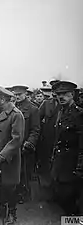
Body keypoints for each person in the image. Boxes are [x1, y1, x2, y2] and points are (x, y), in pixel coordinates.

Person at [0, 86, 25, 225]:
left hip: (9, 157)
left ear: (3, 99)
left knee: (10, 186)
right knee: (1, 184)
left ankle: (12, 214)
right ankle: (1, 210)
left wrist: (4, 154)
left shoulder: (16, 114)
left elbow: (17, 139)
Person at [50, 81, 83, 215]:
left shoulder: (79, 114)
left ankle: (74, 221)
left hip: (73, 164)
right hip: (60, 163)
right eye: (58, 94)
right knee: (61, 197)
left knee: (71, 199)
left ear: (73, 94)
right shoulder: (61, 112)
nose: (61, 97)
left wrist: (80, 168)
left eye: (65, 94)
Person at [12, 85, 40, 203]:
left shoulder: (33, 109)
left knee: (24, 172)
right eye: (16, 95)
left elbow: (36, 130)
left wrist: (29, 143)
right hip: (14, 145)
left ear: (25, 94)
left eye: (20, 94)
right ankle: (15, 192)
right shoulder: (12, 107)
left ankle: (24, 194)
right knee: (14, 171)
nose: (17, 97)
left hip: (25, 147)